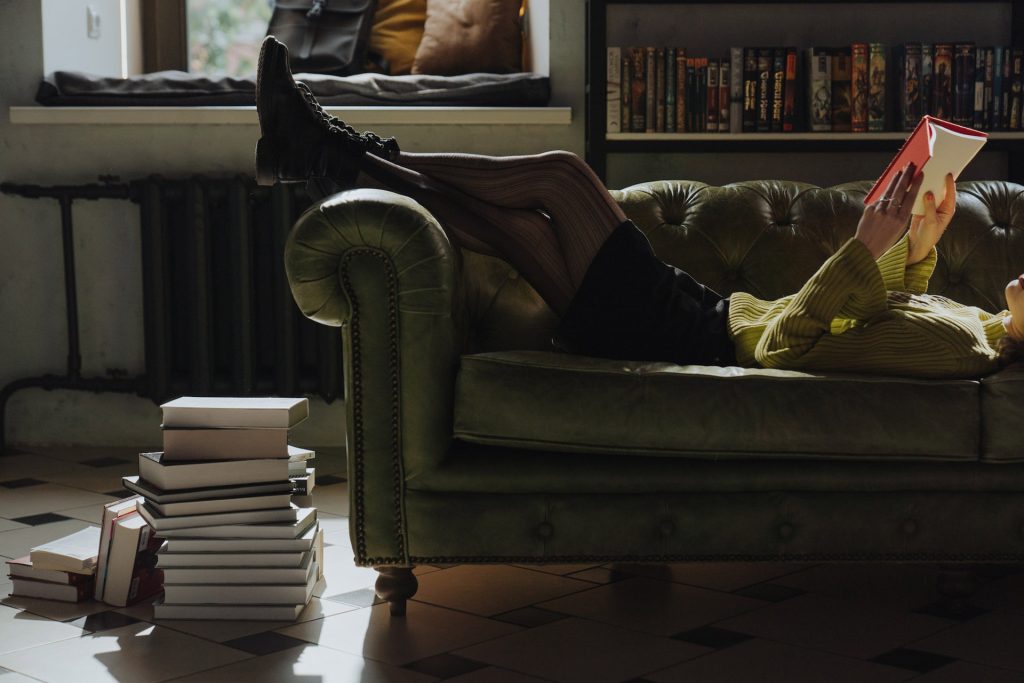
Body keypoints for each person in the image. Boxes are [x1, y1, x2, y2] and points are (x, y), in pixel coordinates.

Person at [255, 37, 1024, 379]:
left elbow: (796, 351)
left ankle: (333, 147)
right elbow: (882, 319)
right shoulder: (980, 331)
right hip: (702, 317)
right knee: (509, 226)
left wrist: (864, 245)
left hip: (699, 335)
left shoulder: (964, 354)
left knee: (558, 177)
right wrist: (919, 242)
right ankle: (323, 152)